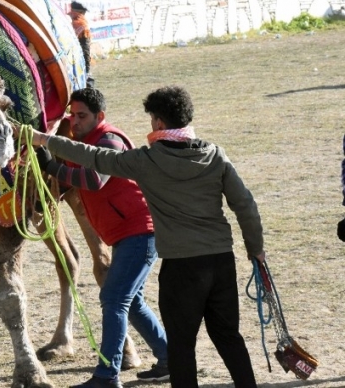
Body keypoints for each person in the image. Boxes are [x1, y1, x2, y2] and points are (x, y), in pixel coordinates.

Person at [30, 86, 265, 388]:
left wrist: (44, 142)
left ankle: (111, 374)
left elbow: (93, 159)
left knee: (177, 341)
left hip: (180, 267)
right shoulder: (215, 154)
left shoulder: (147, 160)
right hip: (221, 262)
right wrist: (256, 250)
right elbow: (244, 203)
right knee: (228, 336)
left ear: (157, 123)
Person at [34, 88, 169, 387]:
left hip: (139, 232)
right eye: (72, 115)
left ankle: (108, 375)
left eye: (82, 116)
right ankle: (169, 358)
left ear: (100, 116)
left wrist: (52, 166)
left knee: (113, 297)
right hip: (127, 234)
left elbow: (95, 179)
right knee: (131, 302)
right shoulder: (84, 143)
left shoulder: (110, 139)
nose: (75, 121)